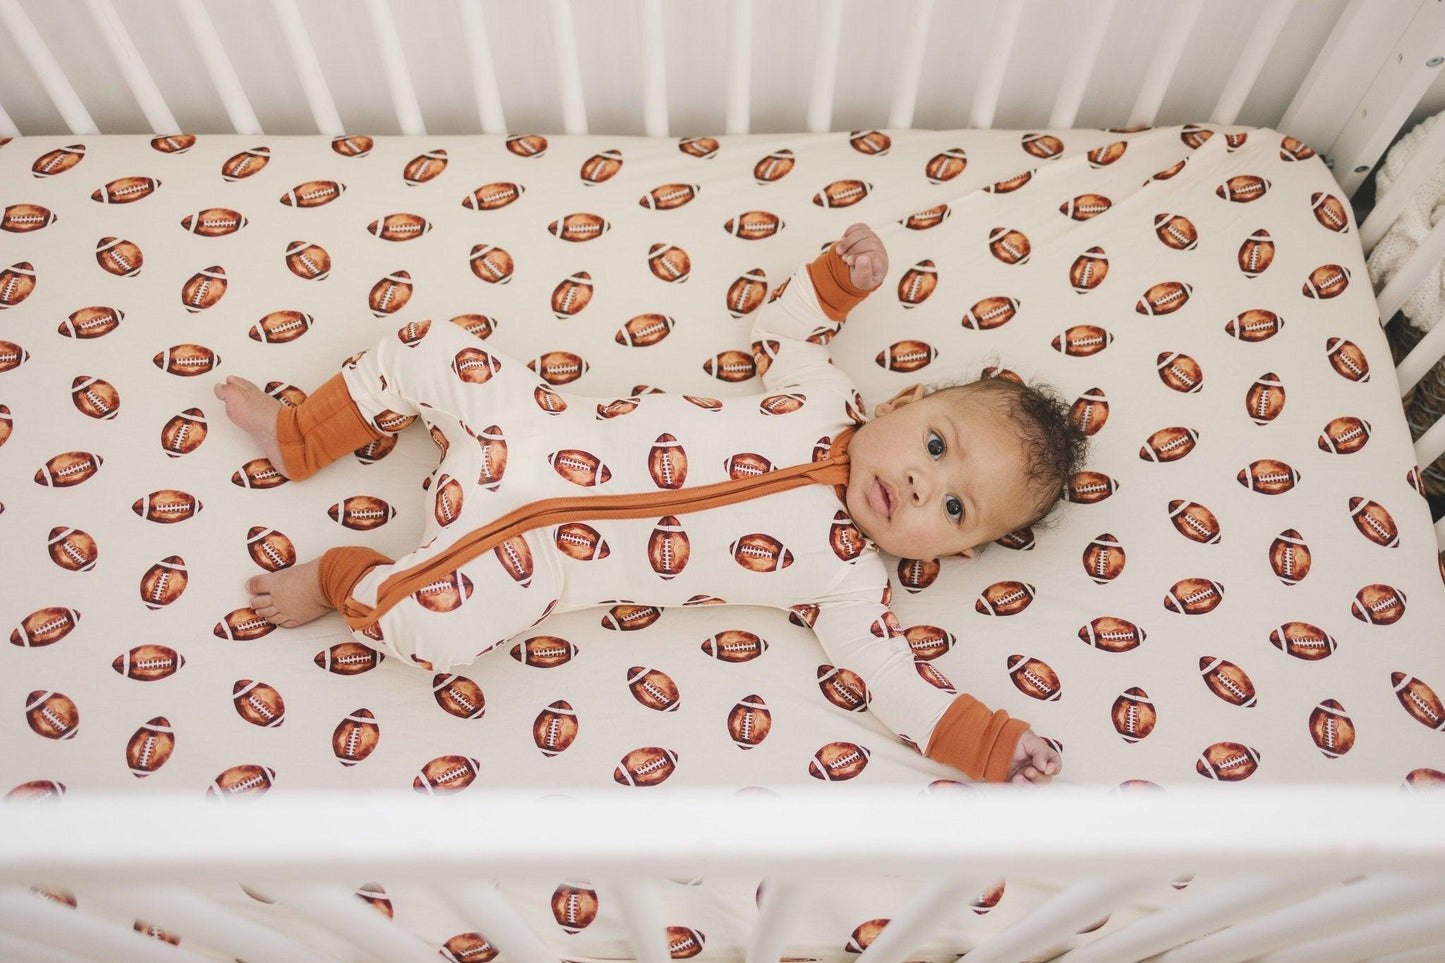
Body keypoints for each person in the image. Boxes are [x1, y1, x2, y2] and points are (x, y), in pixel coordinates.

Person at [214, 223, 1087, 785]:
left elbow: (894, 682)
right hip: (529, 426)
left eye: (956, 508)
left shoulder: (849, 584)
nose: (924, 485)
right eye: (934, 446)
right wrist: (835, 282)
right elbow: (783, 329)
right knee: (428, 346)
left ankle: (339, 578)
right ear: (903, 402)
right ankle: (301, 436)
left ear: (953, 552)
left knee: (428, 634)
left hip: (533, 563)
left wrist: (990, 743)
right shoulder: (822, 393)